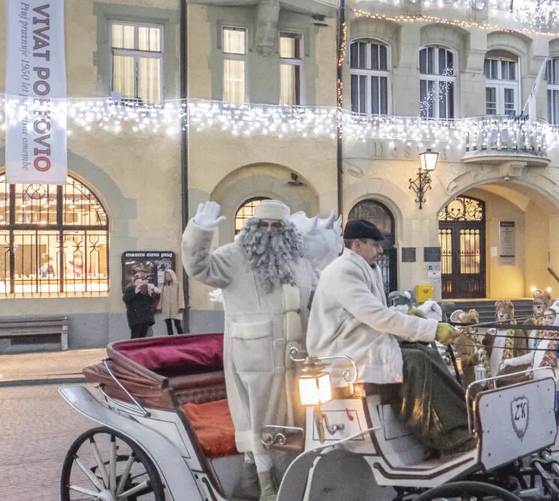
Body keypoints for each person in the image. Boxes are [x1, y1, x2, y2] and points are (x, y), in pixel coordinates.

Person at [181, 199, 319, 501]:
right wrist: (200, 231)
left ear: (287, 230)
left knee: (294, 421)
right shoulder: (234, 256)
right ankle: (266, 488)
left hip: (296, 360)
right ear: (253, 227)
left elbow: (315, 303)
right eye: (263, 224)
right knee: (259, 422)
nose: (269, 231)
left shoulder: (300, 262)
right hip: (254, 357)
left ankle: (277, 484)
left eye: (276, 226)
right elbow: (199, 267)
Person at [308, 219, 469, 455]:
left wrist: (408, 314)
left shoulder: (362, 267)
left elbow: (377, 312)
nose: (381, 250)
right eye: (375, 245)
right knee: (415, 362)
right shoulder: (343, 272)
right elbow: (377, 317)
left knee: (424, 352)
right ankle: (448, 438)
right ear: (356, 245)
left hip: (360, 345)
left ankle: (463, 423)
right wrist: (432, 329)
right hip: (343, 353)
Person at [123, 268, 158, 338]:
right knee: (135, 335)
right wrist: (135, 293)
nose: (140, 284)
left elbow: (151, 302)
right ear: (134, 283)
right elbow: (126, 299)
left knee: (143, 336)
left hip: (145, 317)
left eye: (141, 282)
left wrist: (150, 294)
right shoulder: (130, 289)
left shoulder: (145, 290)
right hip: (135, 317)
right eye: (138, 282)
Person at [157, 265, 184, 335]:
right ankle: (170, 339)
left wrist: (181, 306)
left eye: (169, 275)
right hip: (166, 308)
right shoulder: (164, 286)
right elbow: (161, 298)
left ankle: (182, 338)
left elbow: (180, 296)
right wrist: (159, 307)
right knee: (168, 326)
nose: (167, 277)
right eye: (166, 276)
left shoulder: (178, 284)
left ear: (172, 276)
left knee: (177, 325)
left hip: (175, 307)